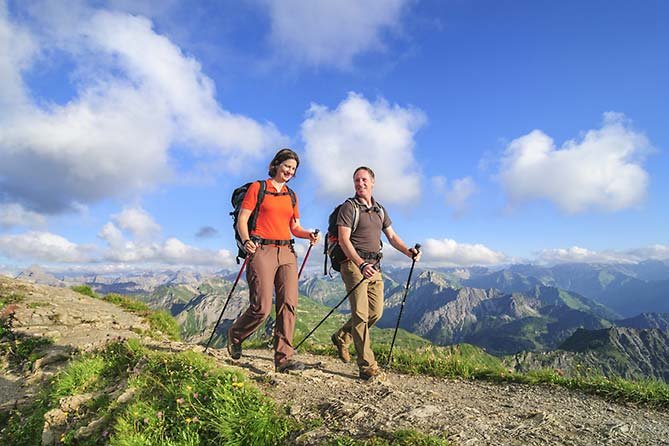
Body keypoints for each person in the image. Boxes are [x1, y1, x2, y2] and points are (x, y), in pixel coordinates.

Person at [228, 148, 319, 372]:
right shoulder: (258, 188)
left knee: (289, 303)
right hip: (261, 250)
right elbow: (243, 218)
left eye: (294, 169)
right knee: (262, 307)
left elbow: (294, 226)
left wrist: (308, 234)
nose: (289, 171)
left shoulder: (292, 196)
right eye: (287, 166)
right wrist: (246, 240)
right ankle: (236, 334)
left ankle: (284, 359)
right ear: (276, 165)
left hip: (287, 251)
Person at [331, 166, 421, 380]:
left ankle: (343, 336)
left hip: (374, 266)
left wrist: (409, 252)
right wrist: (360, 264)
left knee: (375, 313)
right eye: (356, 180)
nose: (359, 183)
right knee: (360, 315)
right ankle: (367, 366)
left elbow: (391, 237)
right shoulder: (348, 207)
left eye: (363, 180)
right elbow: (343, 240)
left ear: (372, 182)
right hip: (354, 265)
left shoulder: (380, 210)